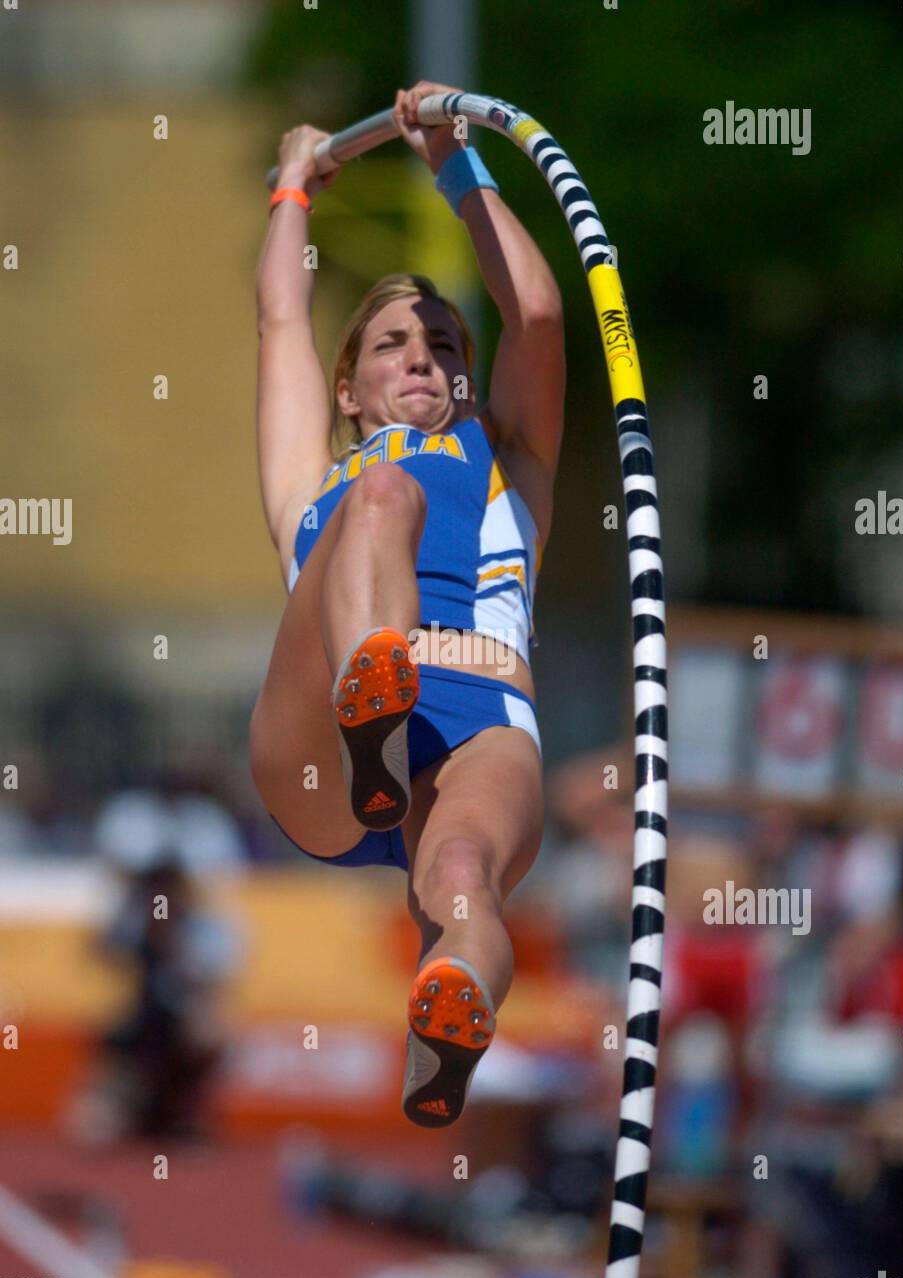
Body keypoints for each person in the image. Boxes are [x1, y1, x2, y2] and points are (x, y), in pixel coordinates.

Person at [249, 81, 565, 1127]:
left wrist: (456, 165)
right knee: (385, 494)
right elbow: (282, 312)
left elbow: (540, 313)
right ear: (349, 390)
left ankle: (451, 1005)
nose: (422, 355)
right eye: (391, 343)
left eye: (441, 344)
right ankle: (370, 692)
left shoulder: (507, 459)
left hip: (475, 725)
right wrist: (294, 189)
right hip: (324, 753)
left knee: (466, 877)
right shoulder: (317, 481)